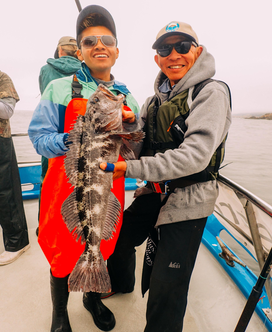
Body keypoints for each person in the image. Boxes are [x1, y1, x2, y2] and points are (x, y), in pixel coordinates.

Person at [100, 21, 232, 331]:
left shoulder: (211, 92)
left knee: (166, 288)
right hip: (155, 191)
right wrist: (130, 128)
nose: (173, 54)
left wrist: (127, 170)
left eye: (182, 47)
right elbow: (136, 150)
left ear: (197, 52)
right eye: (164, 48)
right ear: (157, 58)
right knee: (117, 238)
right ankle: (122, 283)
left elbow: (194, 157)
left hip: (190, 198)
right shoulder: (151, 102)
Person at [28, 5, 139, 332]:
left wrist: (133, 129)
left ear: (117, 51)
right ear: (80, 52)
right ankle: (60, 313)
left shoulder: (126, 94)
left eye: (106, 40)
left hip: (109, 190)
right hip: (67, 189)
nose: (99, 46)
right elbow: (39, 139)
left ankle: (92, 299)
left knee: (101, 245)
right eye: (90, 42)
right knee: (62, 252)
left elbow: (135, 145)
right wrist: (79, 137)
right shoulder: (59, 89)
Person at [37, 36, 82, 236]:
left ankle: (46, 227)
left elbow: (47, 100)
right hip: (82, 140)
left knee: (48, 183)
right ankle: (76, 229)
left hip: (53, 141)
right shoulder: (87, 71)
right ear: (78, 52)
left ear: (60, 51)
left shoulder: (46, 70)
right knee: (79, 185)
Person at [0, 71, 30, 265]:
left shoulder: (2, 78)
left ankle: (17, 243)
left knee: (5, 193)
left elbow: (7, 110)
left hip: (0, 141)